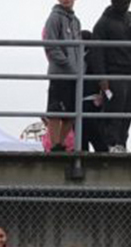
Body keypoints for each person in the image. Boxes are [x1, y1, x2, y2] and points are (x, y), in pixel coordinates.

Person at [87, 0, 131, 152]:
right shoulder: (103, 22)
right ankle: (111, 144)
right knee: (114, 113)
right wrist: (102, 77)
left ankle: (121, 144)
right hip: (114, 73)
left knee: (128, 113)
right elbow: (96, 53)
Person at [41, 0, 86, 152]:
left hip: (74, 74)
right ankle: (54, 144)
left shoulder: (76, 21)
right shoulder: (54, 17)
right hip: (59, 73)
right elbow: (50, 44)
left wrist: (80, 68)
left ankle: (60, 142)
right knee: (55, 110)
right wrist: (67, 63)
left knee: (71, 112)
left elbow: (79, 47)